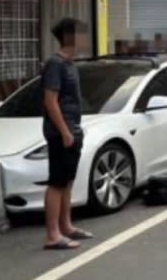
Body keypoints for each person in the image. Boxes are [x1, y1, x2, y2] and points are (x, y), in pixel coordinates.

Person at [42, 18, 93, 251]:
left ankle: (67, 225)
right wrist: (64, 131)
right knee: (57, 182)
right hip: (60, 131)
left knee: (68, 182)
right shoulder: (55, 64)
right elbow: (50, 102)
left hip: (73, 128)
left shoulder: (70, 64)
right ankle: (53, 234)